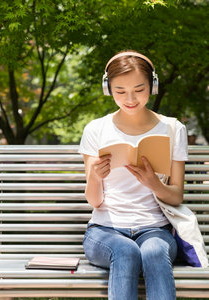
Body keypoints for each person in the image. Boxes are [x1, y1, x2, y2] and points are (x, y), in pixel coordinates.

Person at [78, 50, 188, 300]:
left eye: (139, 89)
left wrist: (153, 183)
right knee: (126, 251)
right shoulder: (96, 129)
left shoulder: (173, 129)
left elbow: (176, 196)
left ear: (153, 85)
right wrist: (95, 176)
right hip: (104, 231)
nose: (130, 98)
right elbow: (94, 201)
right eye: (120, 91)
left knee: (153, 252)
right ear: (108, 88)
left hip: (155, 230)